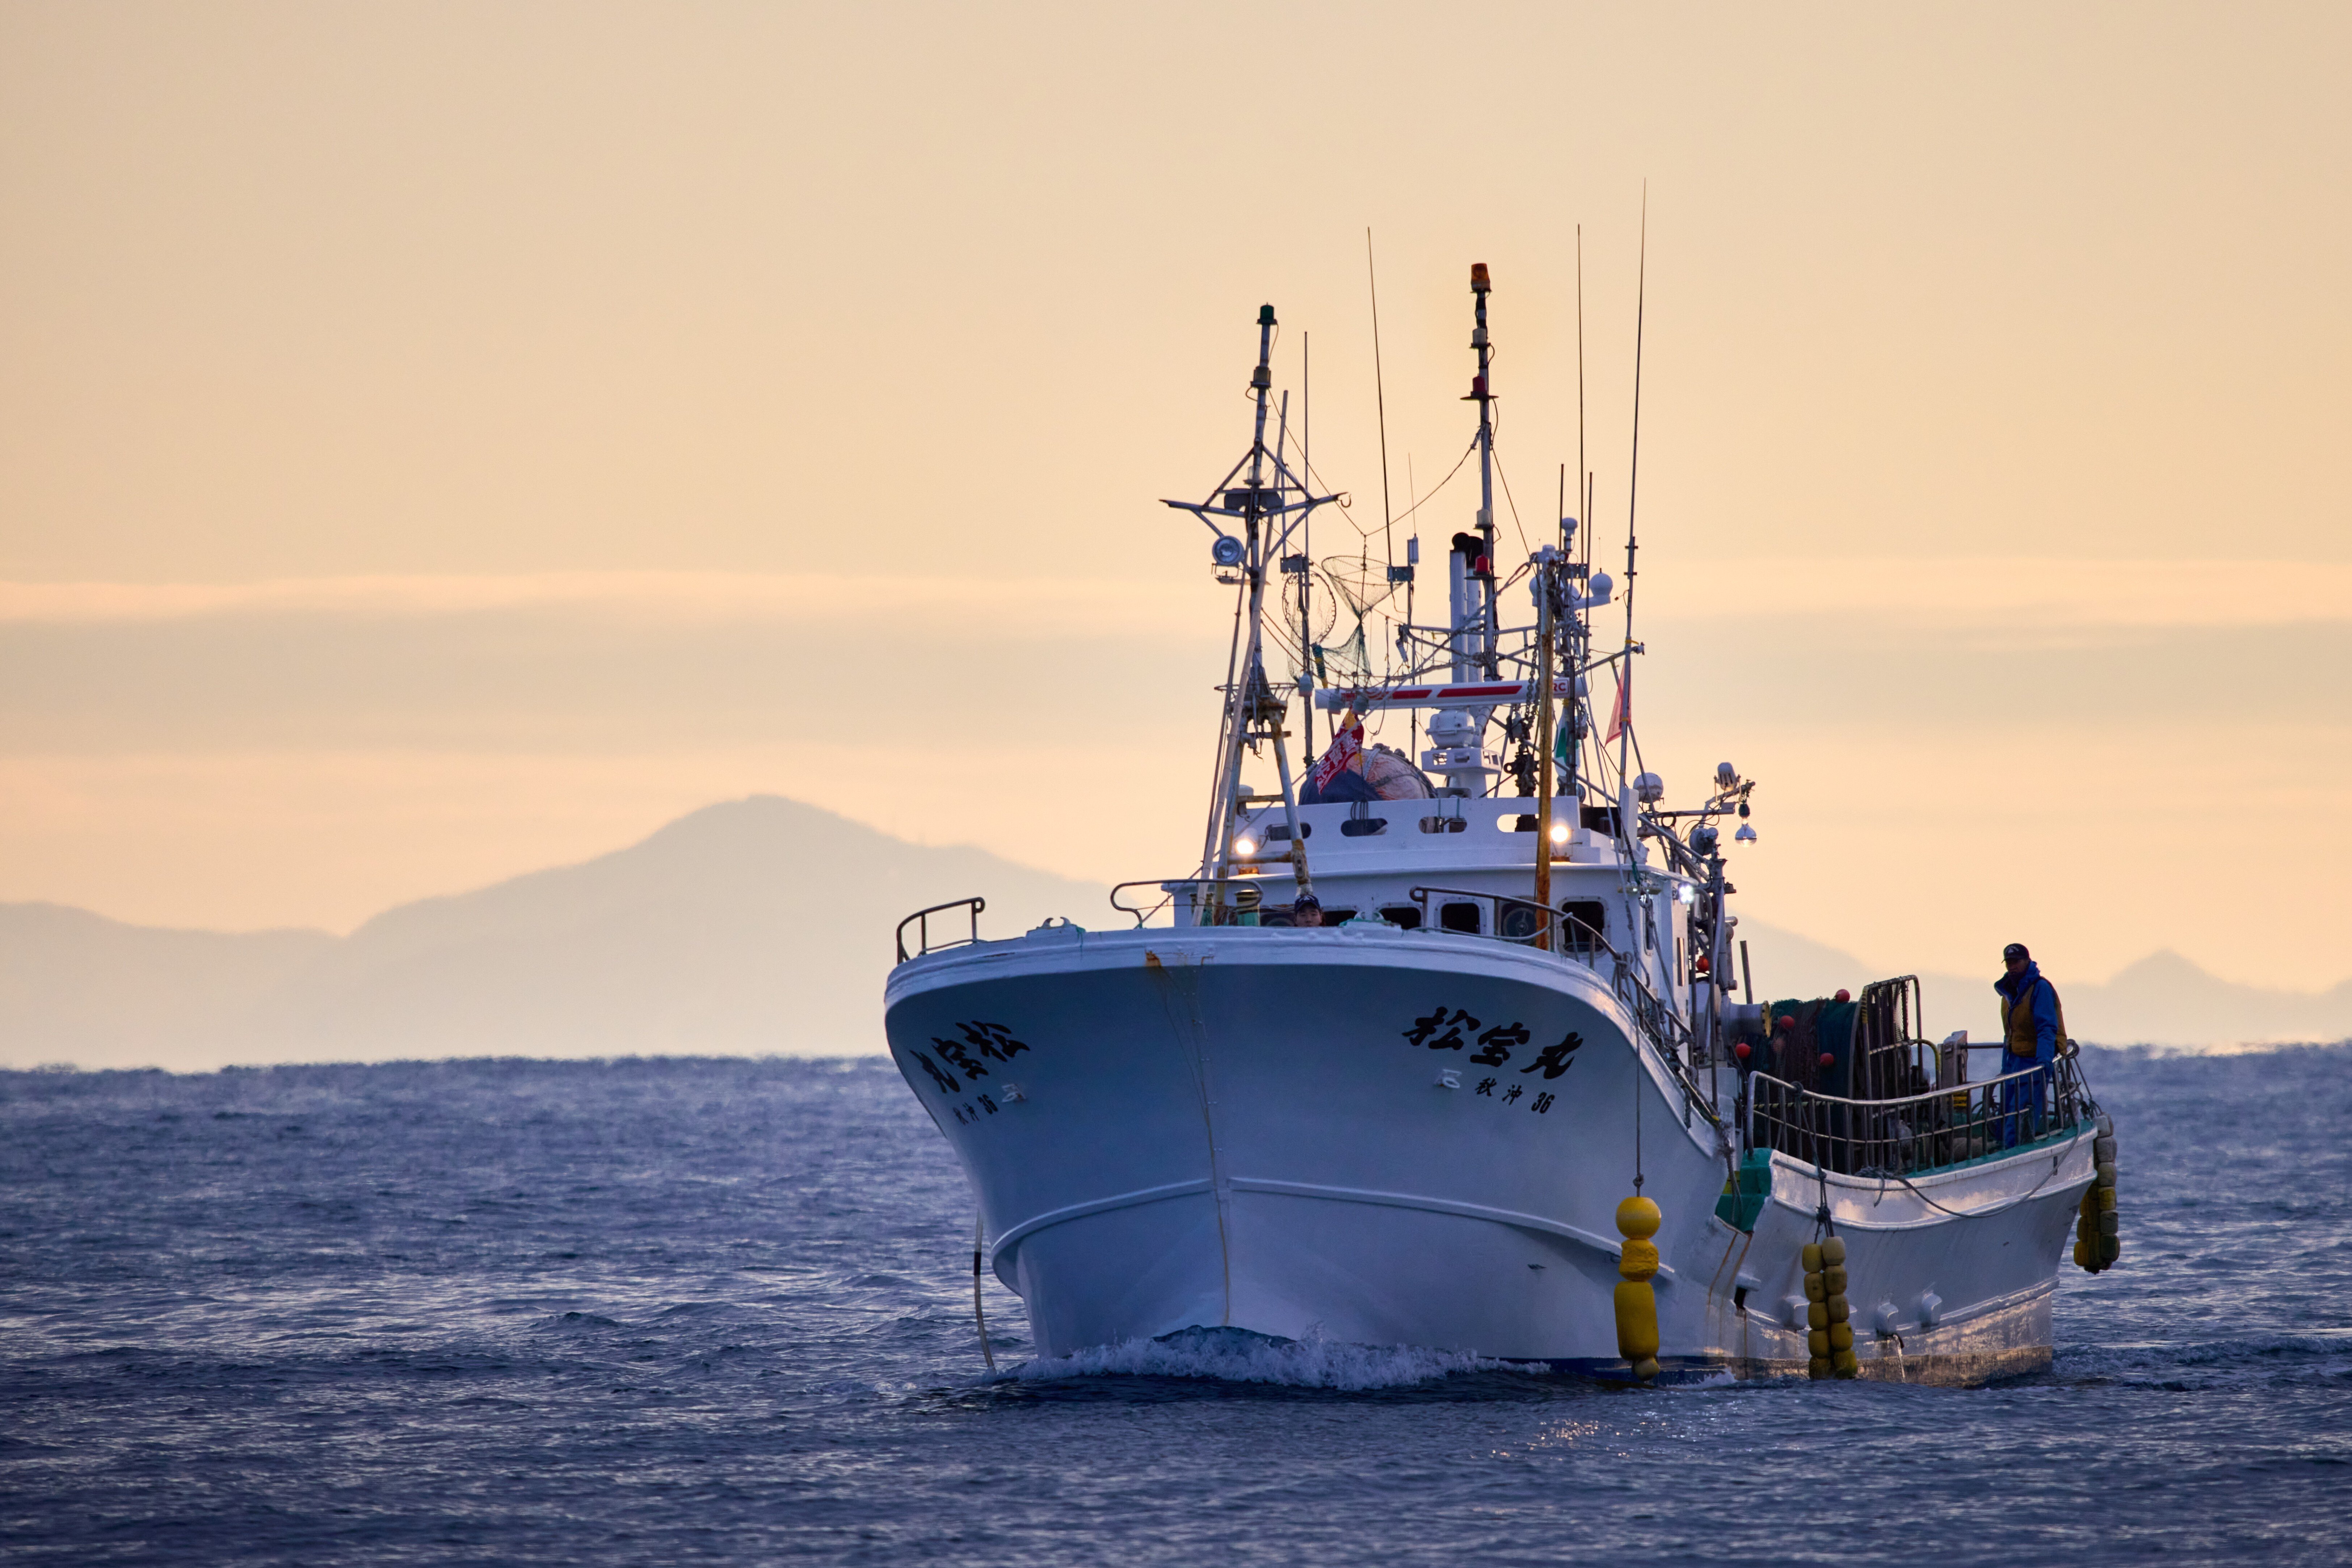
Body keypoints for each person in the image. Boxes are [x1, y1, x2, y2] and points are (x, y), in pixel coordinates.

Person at [1994, 942, 2062, 1147]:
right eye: (2009, 963)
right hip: (2013, 1064)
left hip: (2032, 1064)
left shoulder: (2040, 989)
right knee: (2006, 1115)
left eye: (2016, 962)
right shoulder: (2009, 992)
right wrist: (2005, 1066)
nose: (2012, 967)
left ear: (2027, 961)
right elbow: (2010, 1035)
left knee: (2019, 1122)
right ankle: (2006, 1152)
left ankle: (2016, 1156)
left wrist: (2044, 1063)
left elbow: (2046, 1028)